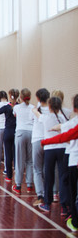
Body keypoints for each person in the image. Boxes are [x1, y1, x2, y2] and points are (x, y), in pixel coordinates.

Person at [43, 94, 78, 231]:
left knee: (69, 187)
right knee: (64, 180)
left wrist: (50, 134)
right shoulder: (66, 117)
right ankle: (65, 207)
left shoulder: (71, 122)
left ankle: (74, 221)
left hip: (70, 157)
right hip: (64, 152)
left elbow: (62, 131)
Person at [32, 97, 69, 214]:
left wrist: (34, 109)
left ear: (49, 107)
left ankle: (47, 203)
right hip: (62, 148)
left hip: (50, 149)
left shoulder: (46, 117)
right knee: (63, 177)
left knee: (49, 176)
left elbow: (38, 115)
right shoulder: (63, 118)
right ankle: (64, 206)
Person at [11, 88, 34, 195]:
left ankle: (18, 185)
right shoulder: (33, 107)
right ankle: (29, 185)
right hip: (31, 133)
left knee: (20, 160)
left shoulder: (16, 107)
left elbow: (14, 114)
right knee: (30, 160)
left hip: (20, 133)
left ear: (20, 97)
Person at [30, 88, 50, 206]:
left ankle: (41, 196)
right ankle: (51, 193)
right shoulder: (52, 109)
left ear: (38, 98)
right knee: (46, 169)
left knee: (37, 169)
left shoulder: (35, 109)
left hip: (37, 139)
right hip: (48, 140)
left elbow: (31, 119)